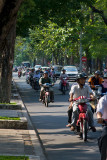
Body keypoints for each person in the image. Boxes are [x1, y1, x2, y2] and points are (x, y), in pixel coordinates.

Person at [96, 95, 107, 160]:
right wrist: (99, 117)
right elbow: (99, 111)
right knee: (104, 137)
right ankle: (103, 158)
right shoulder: (104, 99)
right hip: (106, 123)